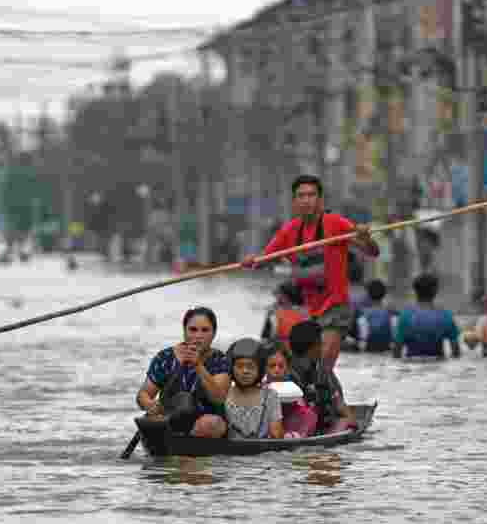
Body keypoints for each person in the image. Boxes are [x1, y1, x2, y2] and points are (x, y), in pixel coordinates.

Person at [242, 174, 380, 371]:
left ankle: (329, 398)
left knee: (323, 365)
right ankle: (334, 401)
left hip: (336, 309)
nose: (306, 200)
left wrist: (366, 238)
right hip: (310, 313)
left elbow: (372, 251)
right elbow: (263, 260)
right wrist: (252, 261)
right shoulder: (289, 231)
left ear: (320, 199)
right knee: (306, 368)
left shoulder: (335, 223)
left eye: (311, 195)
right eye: (301, 196)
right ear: (294, 201)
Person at [135, 307, 230, 438]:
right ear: (184, 331)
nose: (198, 336)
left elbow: (219, 398)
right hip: (170, 418)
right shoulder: (165, 357)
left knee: (212, 423)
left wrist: (198, 366)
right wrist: (149, 404)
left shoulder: (220, 360)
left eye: (205, 330)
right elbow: (143, 394)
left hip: (206, 424)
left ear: (214, 333)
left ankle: (187, 446)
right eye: (193, 330)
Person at [286, 320, 356, 436]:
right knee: (346, 421)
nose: (323, 348)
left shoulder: (322, 371)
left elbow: (339, 402)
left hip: (312, 428)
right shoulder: (322, 372)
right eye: (321, 344)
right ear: (314, 347)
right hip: (304, 430)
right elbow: (341, 405)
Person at [224, 338, 285, 440]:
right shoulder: (224, 394)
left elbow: (276, 433)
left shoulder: (270, 396)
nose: (245, 371)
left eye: (251, 366)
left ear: (260, 369)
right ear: (231, 367)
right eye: (239, 366)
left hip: (262, 453)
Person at [393, 273, 462, 359]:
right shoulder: (445, 316)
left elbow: (396, 352)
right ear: (435, 291)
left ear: (415, 291)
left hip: (411, 365)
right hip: (438, 365)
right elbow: (456, 352)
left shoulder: (405, 316)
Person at [355, 279, 396, 353]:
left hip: (365, 351)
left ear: (368, 294)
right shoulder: (392, 314)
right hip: (386, 351)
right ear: (384, 294)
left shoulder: (361, 314)